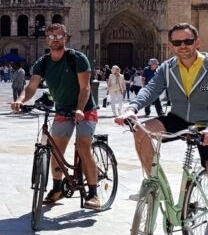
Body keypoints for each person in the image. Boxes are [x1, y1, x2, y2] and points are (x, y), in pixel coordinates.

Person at [11, 23, 101, 209]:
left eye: (59, 36)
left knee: (83, 147)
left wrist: (79, 109)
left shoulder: (77, 58)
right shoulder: (43, 62)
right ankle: (57, 188)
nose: (55, 40)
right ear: (47, 40)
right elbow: (31, 87)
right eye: (51, 37)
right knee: (56, 149)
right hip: (61, 110)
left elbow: (85, 88)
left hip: (85, 109)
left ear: (66, 38)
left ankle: (93, 193)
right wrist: (20, 100)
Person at [115, 23, 208, 178]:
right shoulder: (167, 68)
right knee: (140, 130)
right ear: (171, 46)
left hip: (205, 122)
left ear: (197, 42)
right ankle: (154, 182)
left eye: (188, 41)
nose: (183, 45)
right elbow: (151, 89)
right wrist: (132, 109)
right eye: (177, 43)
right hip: (178, 118)